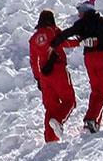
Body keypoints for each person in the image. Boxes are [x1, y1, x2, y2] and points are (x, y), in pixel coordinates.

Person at [58, 0, 103, 132]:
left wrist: (53, 44)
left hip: (90, 59)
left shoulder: (81, 24)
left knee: (96, 91)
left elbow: (65, 34)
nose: (78, 13)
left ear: (85, 11)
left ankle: (92, 121)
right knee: (102, 92)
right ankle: (92, 120)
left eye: (79, 10)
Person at [28, 9, 78, 142]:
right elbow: (65, 42)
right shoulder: (53, 31)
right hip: (58, 70)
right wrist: (79, 42)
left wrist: (38, 78)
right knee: (69, 101)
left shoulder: (33, 39)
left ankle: (51, 139)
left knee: (51, 108)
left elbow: (33, 61)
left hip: (44, 76)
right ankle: (58, 120)